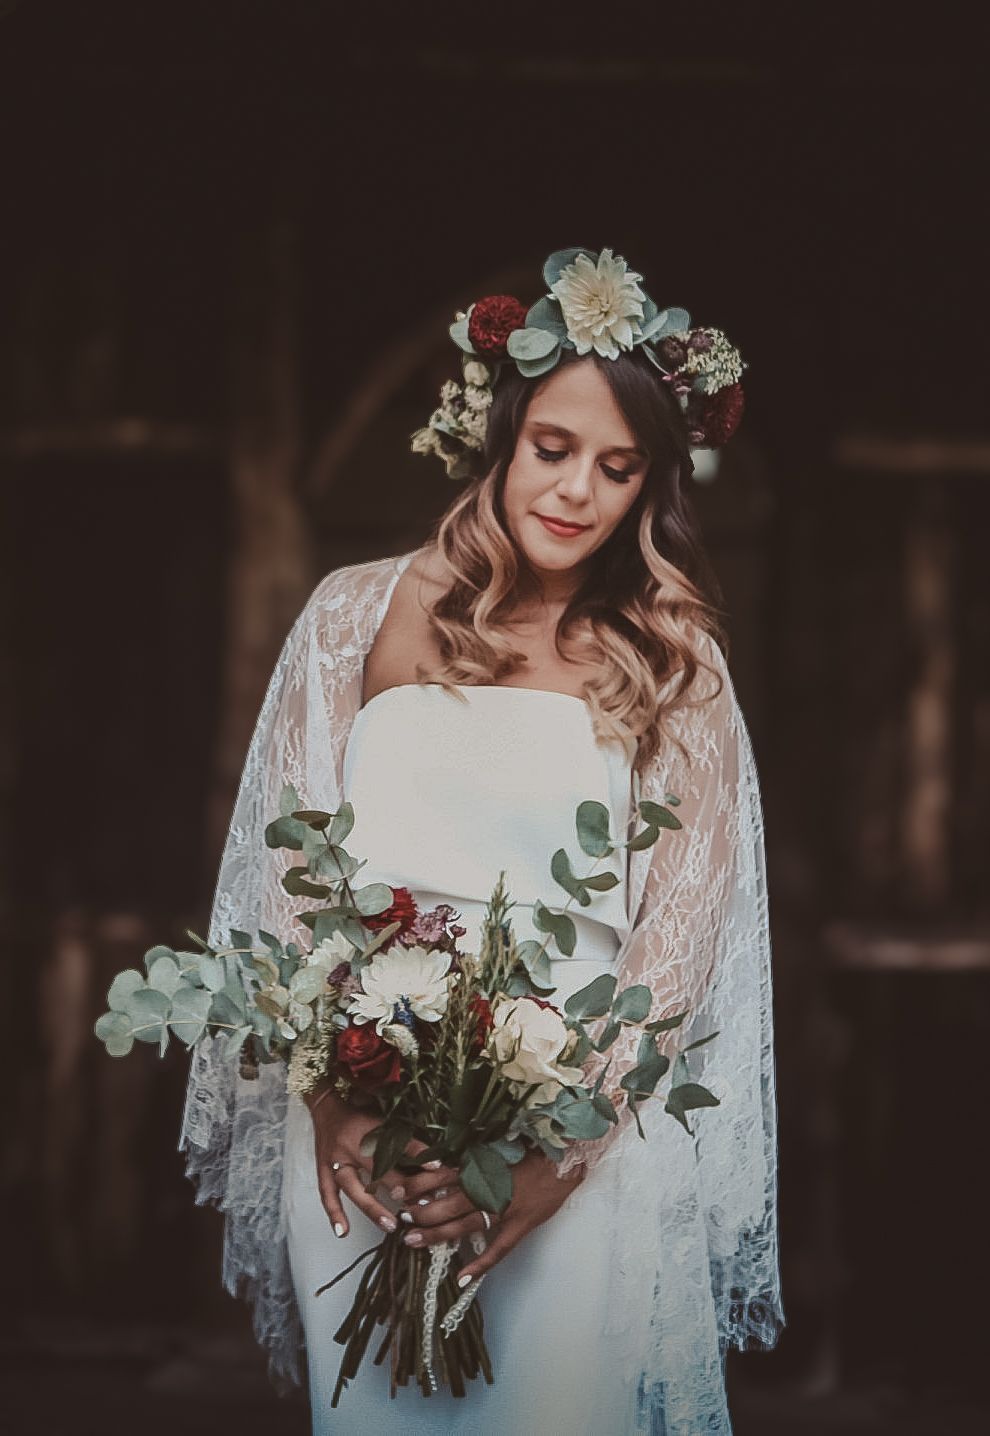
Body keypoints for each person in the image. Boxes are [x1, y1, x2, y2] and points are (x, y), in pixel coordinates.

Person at [180, 247, 783, 1434]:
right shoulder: (355, 610)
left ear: (652, 484)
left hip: (575, 1134)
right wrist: (334, 1097)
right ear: (500, 438)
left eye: (617, 468)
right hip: (364, 1114)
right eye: (552, 450)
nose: (573, 491)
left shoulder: (674, 660)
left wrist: (556, 1156)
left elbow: (677, 941)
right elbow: (297, 865)